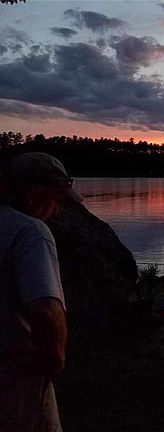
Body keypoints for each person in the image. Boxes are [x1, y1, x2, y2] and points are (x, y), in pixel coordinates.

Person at [0, 152, 83, 432]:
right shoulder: (31, 232)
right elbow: (46, 309)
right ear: (35, 194)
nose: (56, 211)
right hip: (17, 377)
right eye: (56, 199)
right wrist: (56, 360)